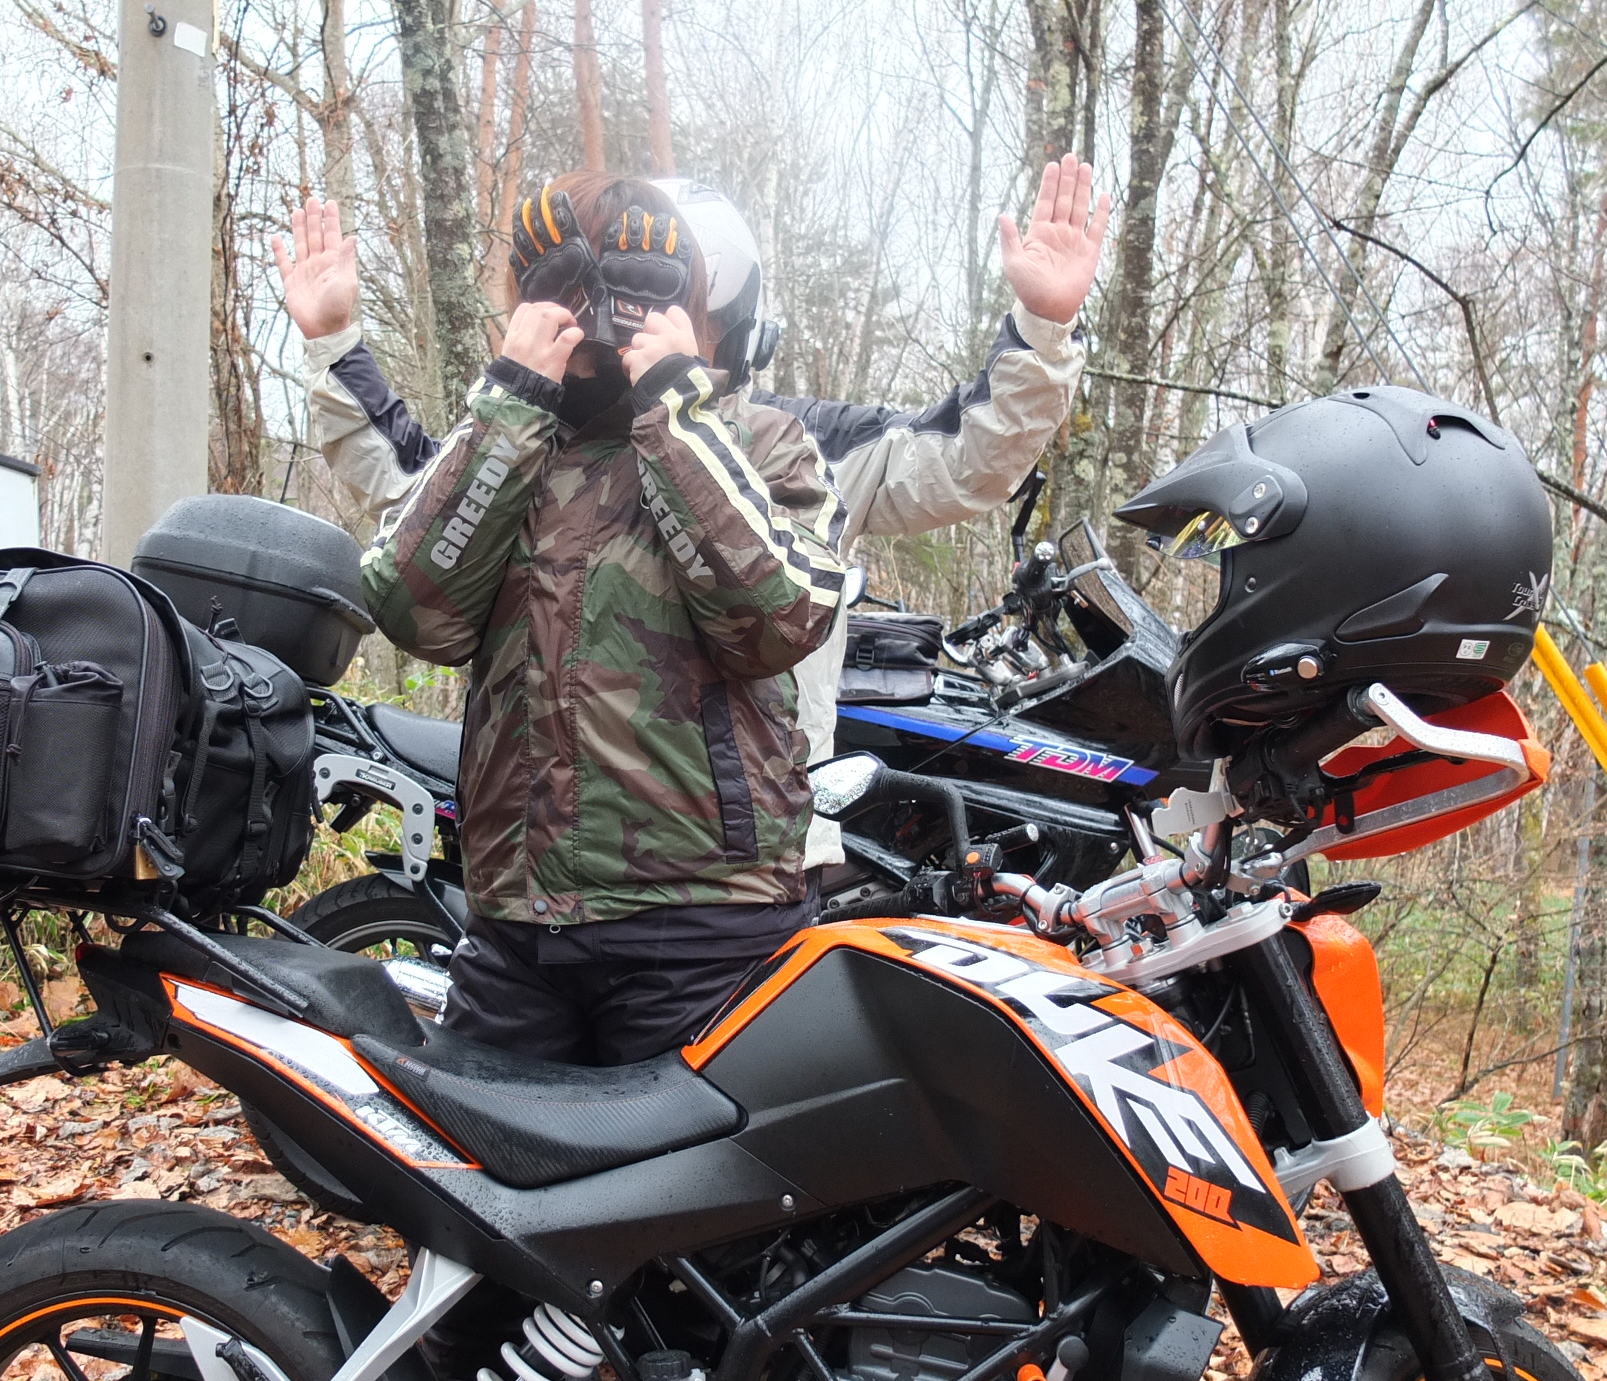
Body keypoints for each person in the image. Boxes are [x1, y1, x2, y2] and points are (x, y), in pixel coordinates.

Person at [274, 158, 1108, 872]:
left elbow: (963, 456)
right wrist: (337, 344)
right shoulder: (521, 438)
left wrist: (1041, 328)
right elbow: (414, 493)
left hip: (745, 866)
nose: (615, 321)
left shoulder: (789, 442)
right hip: (536, 882)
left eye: (649, 292)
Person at [351, 172, 847, 1067]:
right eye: (567, 290)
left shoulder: (757, 440)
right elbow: (413, 611)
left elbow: (778, 620)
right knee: (477, 1151)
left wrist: (672, 405)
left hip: (703, 922)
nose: (598, 315)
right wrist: (512, 396)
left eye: (629, 288)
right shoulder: (510, 440)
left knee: (705, 1164)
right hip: (517, 926)